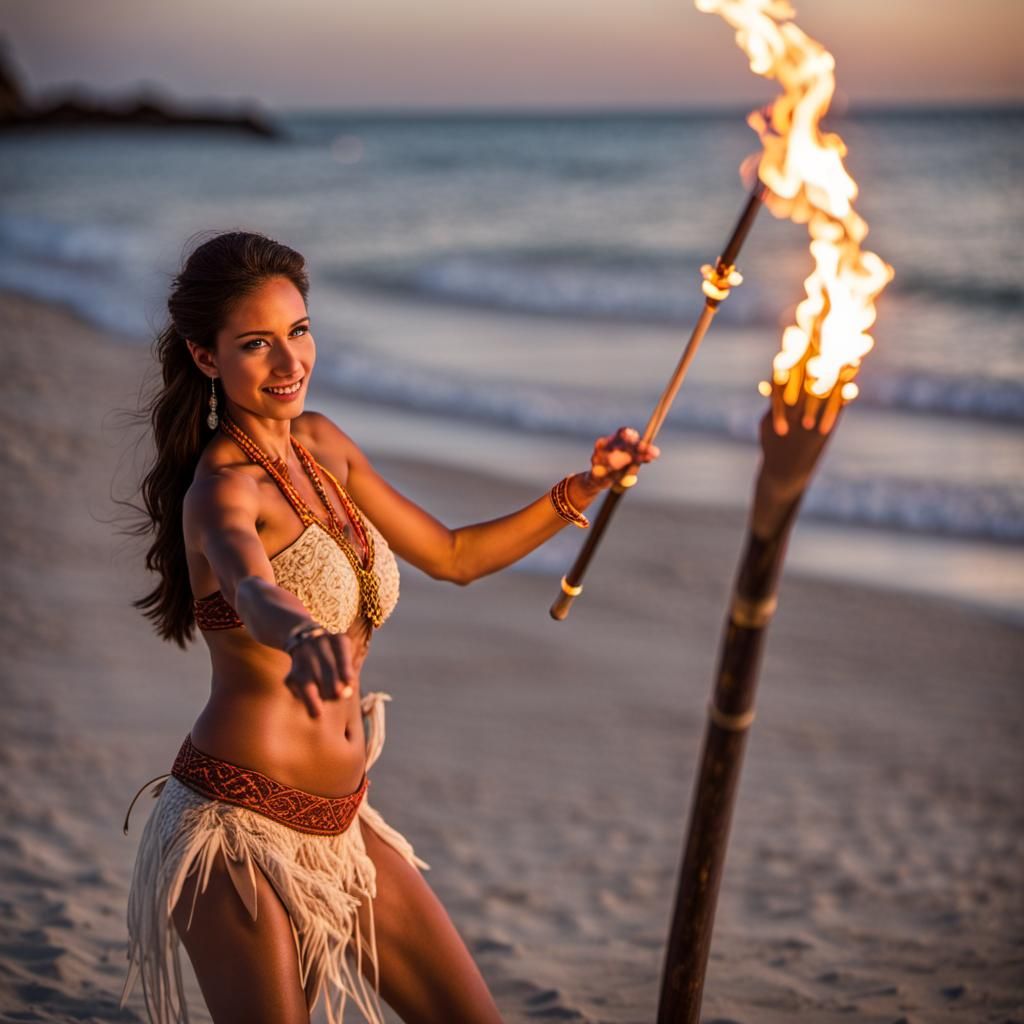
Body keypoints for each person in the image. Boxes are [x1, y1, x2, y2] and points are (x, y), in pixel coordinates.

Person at [119, 230, 659, 1024]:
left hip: (341, 822)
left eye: (299, 332)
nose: (289, 362)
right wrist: (301, 635)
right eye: (257, 344)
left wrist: (585, 485)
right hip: (234, 829)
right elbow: (252, 583)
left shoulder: (324, 446)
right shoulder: (220, 491)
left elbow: (453, 554)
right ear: (207, 358)